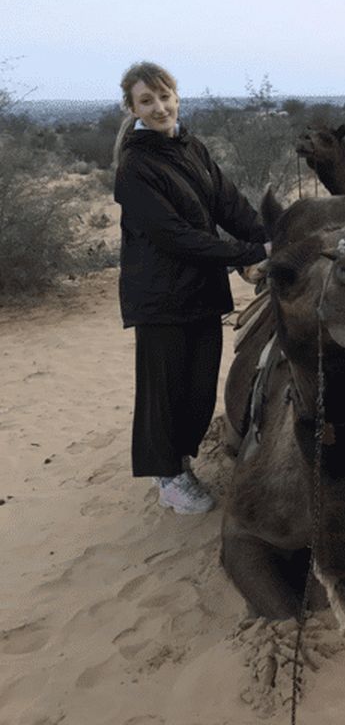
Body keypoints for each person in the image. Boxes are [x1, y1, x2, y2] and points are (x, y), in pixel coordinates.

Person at [113, 61, 270, 514]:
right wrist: (246, 255)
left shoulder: (190, 147)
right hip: (161, 299)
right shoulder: (135, 167)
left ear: (176, 96)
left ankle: (181, 462)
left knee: (198, 389)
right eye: (147, 100)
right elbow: (174, 237)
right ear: (132, 108)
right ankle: (168, 477)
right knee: (164, 391)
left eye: (165, 96)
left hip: (200, 292)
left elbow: (228, 203)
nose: (159, 107)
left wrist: (266, 238)